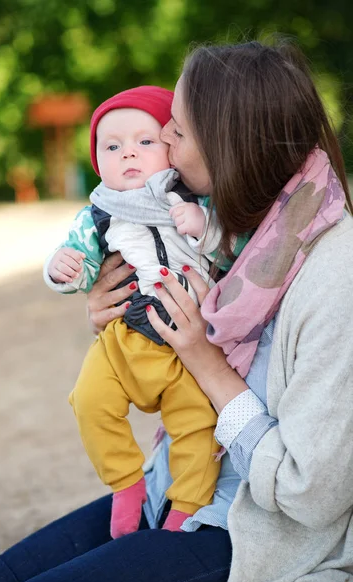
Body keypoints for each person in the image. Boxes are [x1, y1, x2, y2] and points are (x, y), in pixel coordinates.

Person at [0, 39, 353, 582]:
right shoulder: (232, 228)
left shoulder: (333, 273)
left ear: (229, 146)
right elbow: (153, 367)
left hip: (246, 532)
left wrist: (201, 355)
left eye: (178, 130)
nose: (160, 137)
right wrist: (117, 317)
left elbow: (312, 491)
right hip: (172, 486)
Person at [43, 85, 249, 538]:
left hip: (184, 349)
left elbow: (237, 256)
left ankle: (184, 508)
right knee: (89, 401)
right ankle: (126, 483)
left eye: (145, 141)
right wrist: (63, 271)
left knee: (198, 424)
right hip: (122, 340)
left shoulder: (197, 202)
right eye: (112, 147)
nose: (128, 154)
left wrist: (207, 230)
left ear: (173, 149)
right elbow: (81, 263)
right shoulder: (98, 213)